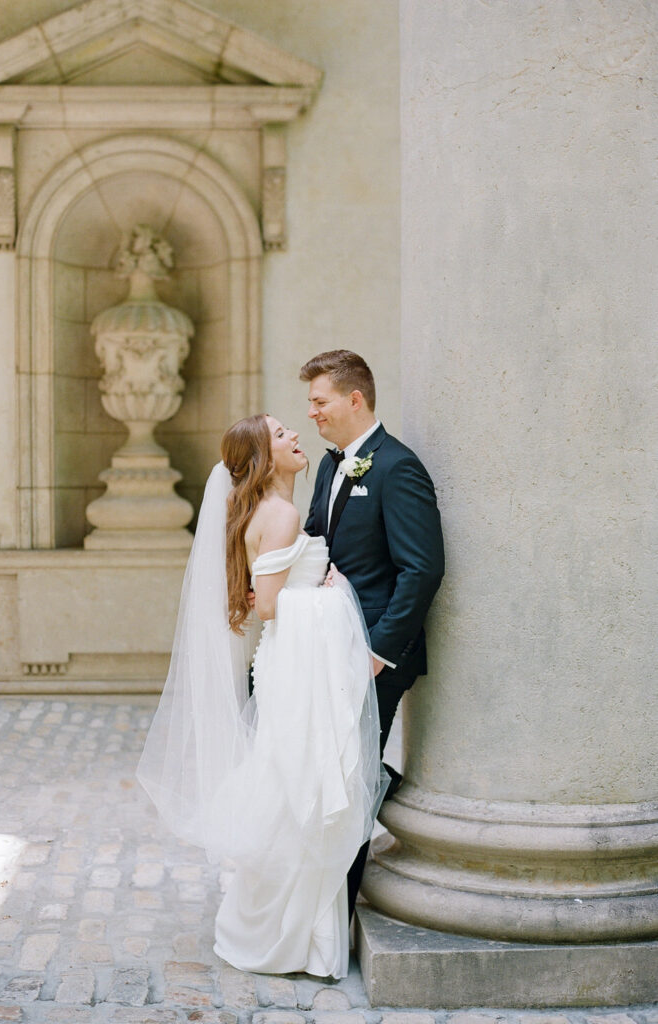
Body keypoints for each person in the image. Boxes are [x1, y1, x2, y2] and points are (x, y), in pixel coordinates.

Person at [137, 413, 386, 980]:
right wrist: (334, 593)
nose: (295, 435)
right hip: (296, 667)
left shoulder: (265, 512)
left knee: (293, 777)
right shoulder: (281, 514)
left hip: (288, 664)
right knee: (300, 781)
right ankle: (287, 937)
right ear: (264, 458)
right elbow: (269, 605)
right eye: (280, 434)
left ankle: (282, 928)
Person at [300, 350, 445, 918]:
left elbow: (422, 569)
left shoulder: (396, 466)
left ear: (354, 398)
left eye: (320, 401)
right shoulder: (330, 464)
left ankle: (336, 910)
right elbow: (318, 540)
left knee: (355, 777)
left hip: (372, 657)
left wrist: (381, 652)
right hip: (326, 648)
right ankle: (314, 897)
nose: (312, 412)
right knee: (323, 774)